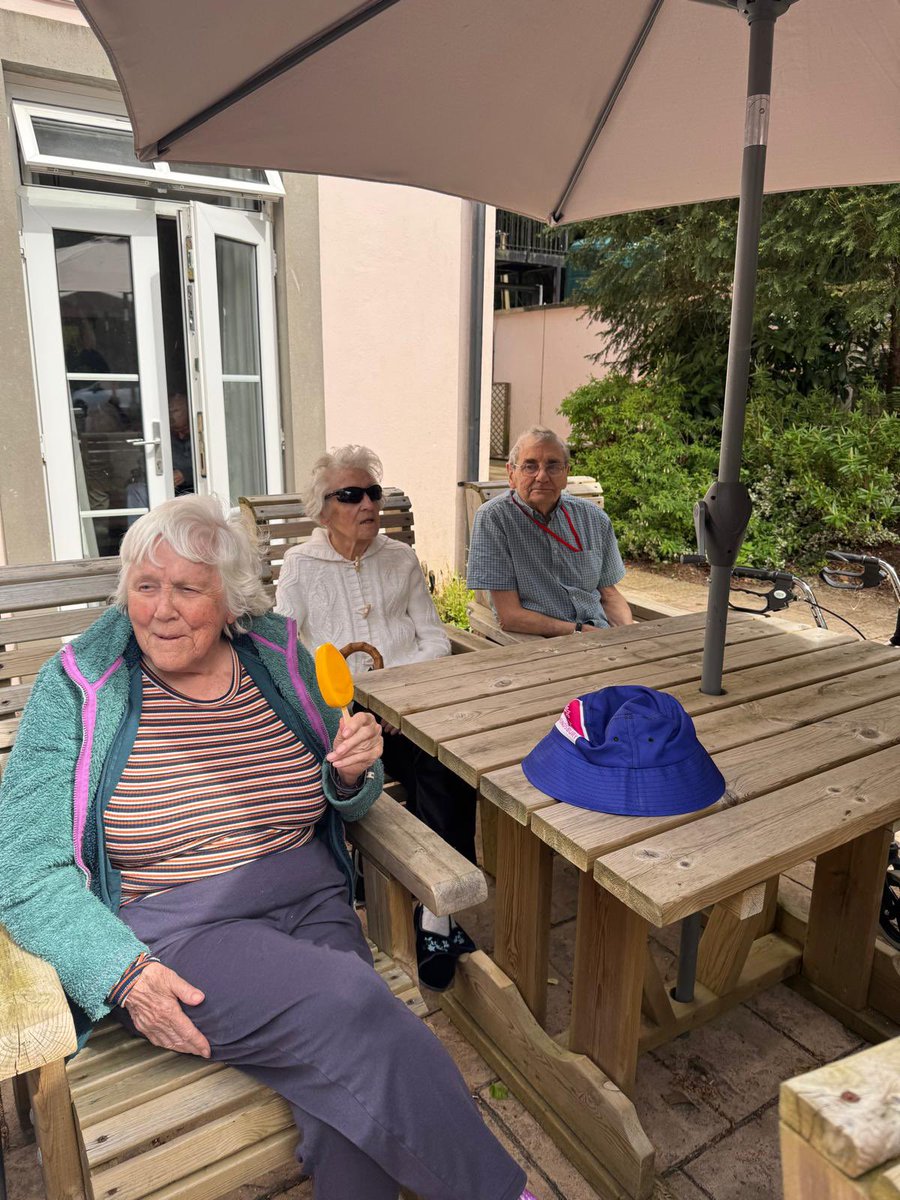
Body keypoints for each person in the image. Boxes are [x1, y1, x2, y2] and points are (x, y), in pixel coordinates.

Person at [0, 495, 533, 1200]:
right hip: (180, 930)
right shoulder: (77, 687)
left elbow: (344, 788)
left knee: (348, 1108)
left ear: (231, 601)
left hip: (311, 899)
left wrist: (350, 774)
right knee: (356, 1004)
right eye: (145, 584)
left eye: (188, 588)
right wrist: (119, 972)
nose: (161, 608)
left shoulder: (277, 656)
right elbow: (22, 868)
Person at [275, 446, 479, 993]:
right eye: (351, 495)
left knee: (450, 769)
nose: (367, 503)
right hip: (339, 710)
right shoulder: (300, 565)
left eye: (373, 493)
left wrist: (397, 690)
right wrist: (350, 701)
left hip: (410, 702)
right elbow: (286, 652)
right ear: (323, 509)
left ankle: (436, 917)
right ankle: (375, 884)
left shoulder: (401, 558)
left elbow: (435, 638)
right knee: (358, 773)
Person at [467, 425, 633, 636]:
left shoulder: (594, 519)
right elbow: (509, 616)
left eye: (553, 466)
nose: (542, 476)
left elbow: (609, 595)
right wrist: (579, 631)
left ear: (566, 473)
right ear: (511, 474)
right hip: (540, 642)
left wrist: (628, 636)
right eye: (530, 466)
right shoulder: (495, 519)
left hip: (599, 636)